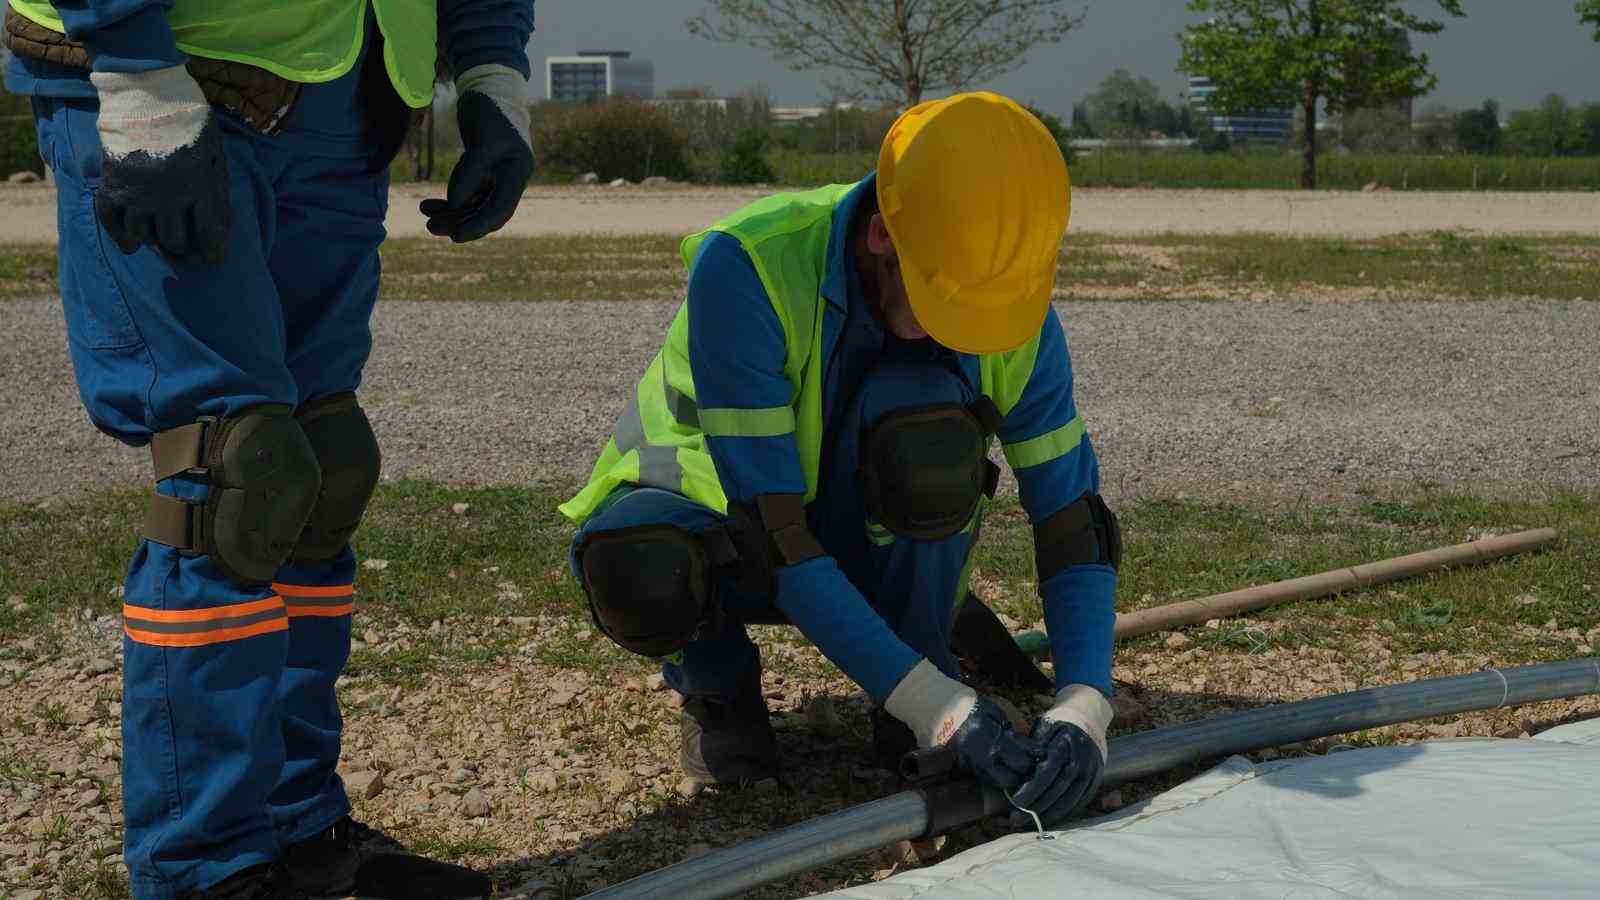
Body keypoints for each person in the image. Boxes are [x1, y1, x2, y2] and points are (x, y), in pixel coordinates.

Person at [4, 1, 535, 897]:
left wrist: (492, 72)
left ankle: (298, 834)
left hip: (349, 93)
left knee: (319, 470)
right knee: (231, 474)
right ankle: (204, 866)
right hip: (176, 66)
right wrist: (134, 64)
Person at [561, 92, 1120, 832]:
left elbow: (1071, 519)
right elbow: (775, 533)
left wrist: (1086, 704)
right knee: (642, 568)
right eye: (941, 303)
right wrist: (947, 712)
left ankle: (918, 663)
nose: (960, 333)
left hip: (849, 520)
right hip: (726, 525)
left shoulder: (1004, 297)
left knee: (928, 447)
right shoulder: (749, 266)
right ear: (883, 236)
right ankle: (721, 694)